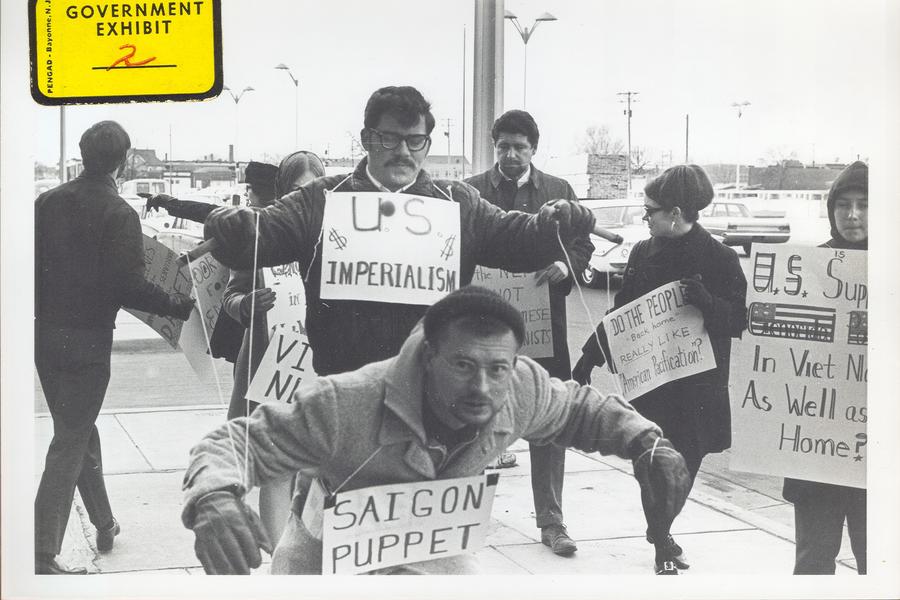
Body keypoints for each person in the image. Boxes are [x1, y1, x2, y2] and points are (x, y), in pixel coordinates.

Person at [181, 286, 692, 574]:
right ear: (429, 358)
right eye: (464, 366)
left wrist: (645, 441)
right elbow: (234, 442)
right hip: (325, 555)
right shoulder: (345, 402)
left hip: (434, 550)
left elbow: (582, 410)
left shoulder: (521, 387)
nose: (484, 388)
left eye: (498, 369)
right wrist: (214, 498)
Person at [202, 85, 595, 379]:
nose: (403, 152)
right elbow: (263, 235)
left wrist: (555, 224)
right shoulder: (322, 198)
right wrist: (230, 225)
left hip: (434, 389)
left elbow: (517, 239)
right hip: (345, 386)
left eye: (415, 140)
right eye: (389, 138)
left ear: (426, 143)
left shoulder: (458, 202)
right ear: (367, 139)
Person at [34, 121, 195, 574]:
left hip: (44, 336)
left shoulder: (46, 202)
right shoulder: (118, 212)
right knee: (70, 439)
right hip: (87, 341)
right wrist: (178, 305)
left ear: (83, 156)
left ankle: (104, 523)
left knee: (77, 428)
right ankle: (40, 551)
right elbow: (129, 287)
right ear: (123, 161)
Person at [572, 164, 747, 574]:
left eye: (650, 210)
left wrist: (705, 300)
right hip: (652, 384)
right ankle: (661, 543)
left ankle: (661, 528)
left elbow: (737, 321)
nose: (643, 216)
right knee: (651, 465)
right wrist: (589, 357)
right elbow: (623, 317)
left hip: (699, 388)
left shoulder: (719, 258)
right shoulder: (641, 252)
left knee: (685, 467)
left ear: (676, 212)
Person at [464, 109, 592, 556]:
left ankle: (552, 521)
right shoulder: (471, 192)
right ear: (493, 147)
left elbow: (583, 244)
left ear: (534, 149)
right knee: (473, 419)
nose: (512, 154)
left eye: (520, 147)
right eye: (504, 147)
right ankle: (463, 518)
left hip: (543, 329)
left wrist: (566, 265)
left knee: (549, 418)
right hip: (482, 329)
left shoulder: (558, 192)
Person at [221, 152, 326, 543]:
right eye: (299, 190)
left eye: (314, 190)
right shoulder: (264, 235)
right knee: (278, 468)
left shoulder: (334, 235)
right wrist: (244, 305)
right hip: (271, 365)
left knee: (312, 471)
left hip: (319, 367)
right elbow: (232, 294)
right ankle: (281, 563)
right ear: (283, 192)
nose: (306, 199)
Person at [782, 161, 868, 575]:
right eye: (844, 205)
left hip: (879, 449)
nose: (853, 215)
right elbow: (779, 355)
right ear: (831, 210)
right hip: (818, 445)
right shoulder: (806, 269)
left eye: (865, 205)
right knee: (814, 558)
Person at [141, 160, 279, 224]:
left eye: (248, 188)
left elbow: (207, 212)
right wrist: (170, 203)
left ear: (263, 191)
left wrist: (169, 202)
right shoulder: (285, 218)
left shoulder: (253, 220)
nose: (245, 193)